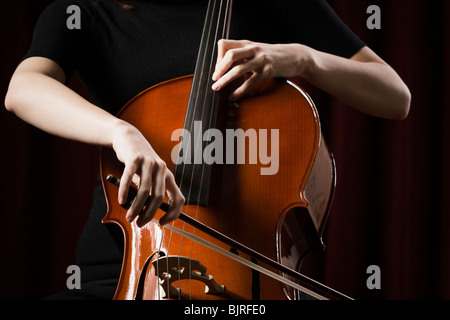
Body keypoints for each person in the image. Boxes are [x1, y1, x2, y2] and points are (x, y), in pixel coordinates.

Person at [4, 0, 410, 300]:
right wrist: (121, 132)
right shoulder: (83, 13)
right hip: (124, 269)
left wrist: (304, 58)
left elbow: (394, 95)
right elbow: (24, 88)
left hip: (251, 283)